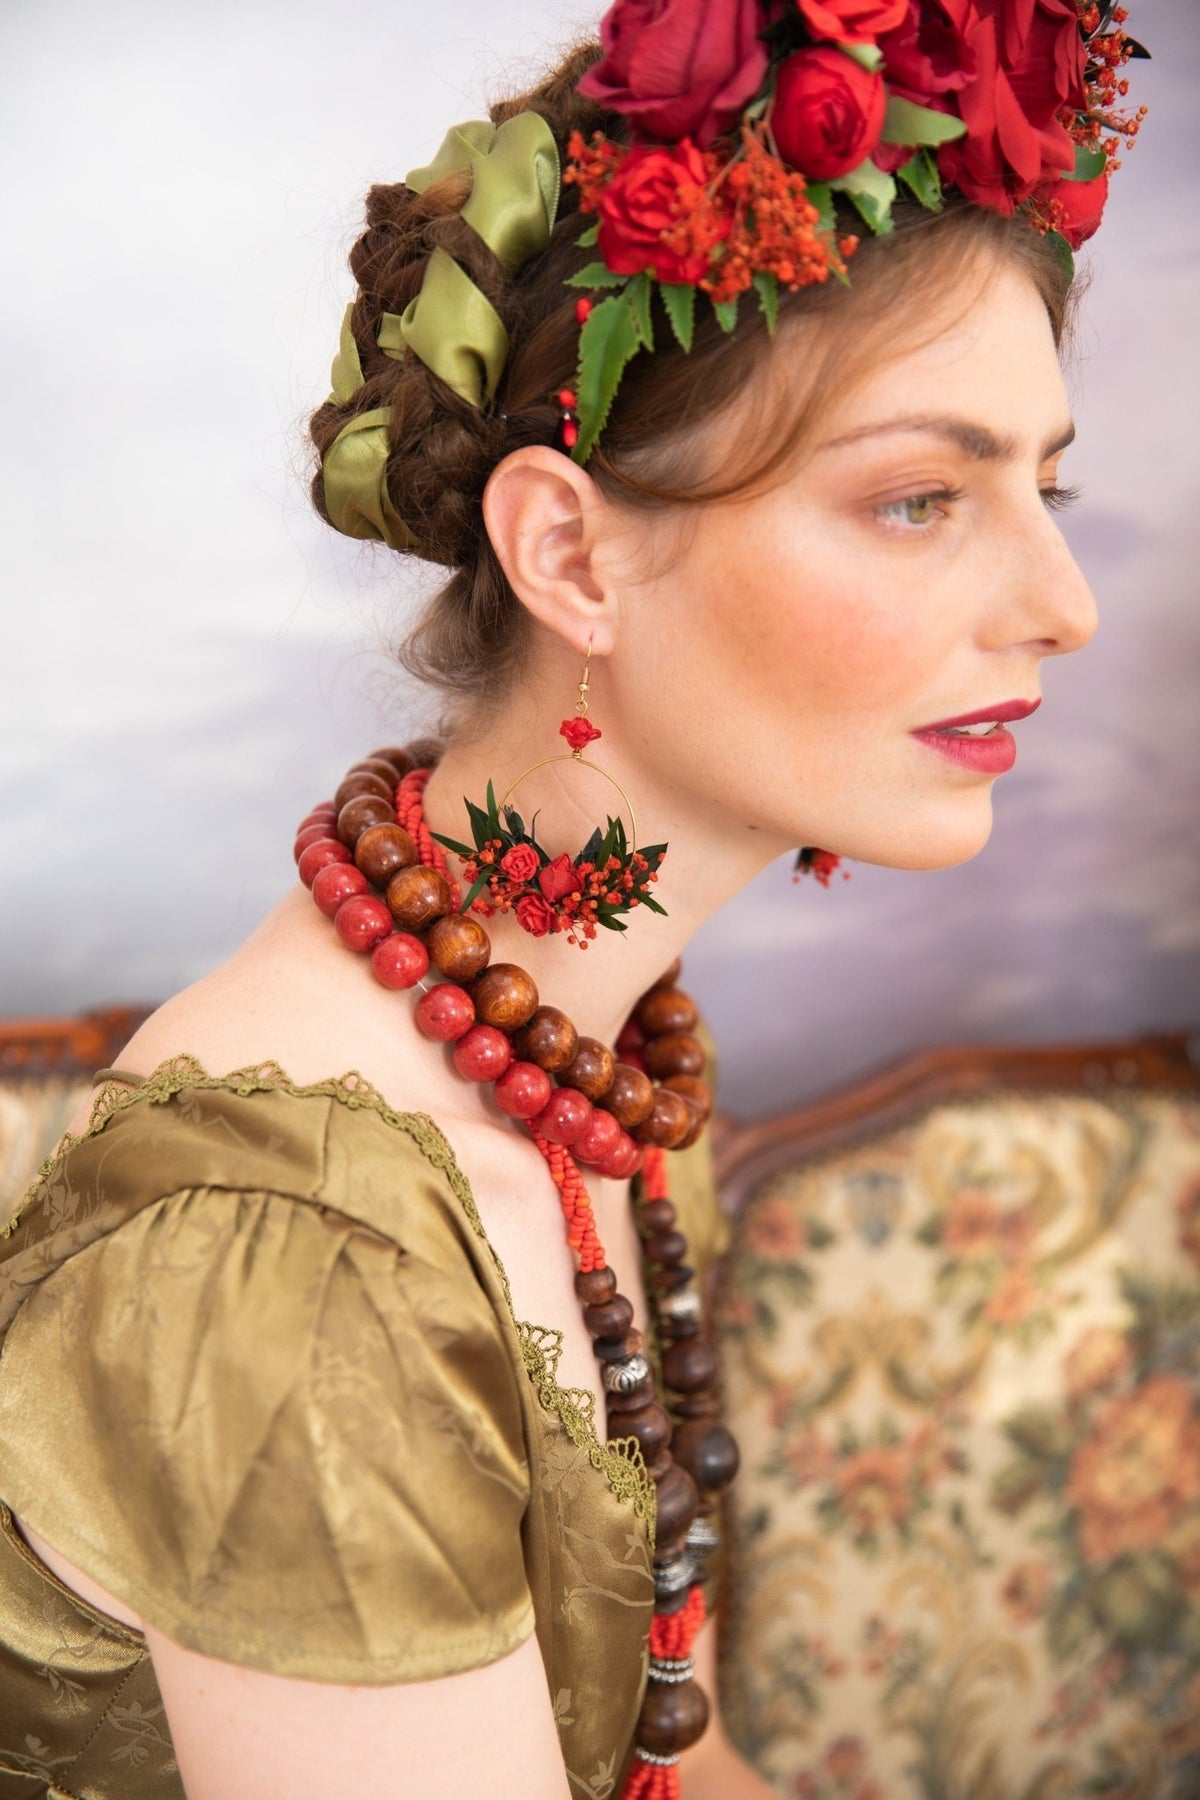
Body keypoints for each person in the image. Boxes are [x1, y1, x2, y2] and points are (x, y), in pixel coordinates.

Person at [0, 2, 1146, 1796]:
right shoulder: (304, 1263)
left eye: (1045, 484)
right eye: (922, 499)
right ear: (567, 552)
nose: (1064, 604)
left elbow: (676, 1762)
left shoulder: (601, 1064)